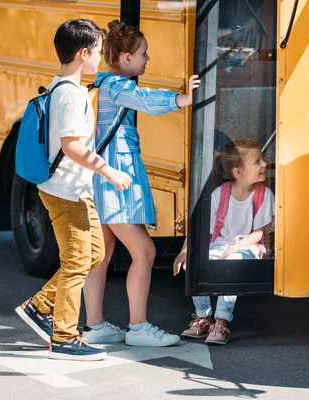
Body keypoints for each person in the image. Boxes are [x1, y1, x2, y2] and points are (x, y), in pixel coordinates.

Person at [14, 19, 133, 361]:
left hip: (73, 189)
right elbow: (71, 146)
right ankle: (64, 337)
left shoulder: (67, 88)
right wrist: (108, 170)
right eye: (97, 51)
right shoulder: (69, 94)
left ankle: (40, 306)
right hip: (66, 191)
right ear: (84, 54)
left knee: (94, 254)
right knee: (78, 261)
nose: (100, 56)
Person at [80, 20, 200, 347]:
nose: (148, 59)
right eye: (143, 53)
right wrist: (182, 100)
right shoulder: (118, 87)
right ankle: (138, 327)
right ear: (126, 58)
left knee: (102, 255)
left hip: (101, 180)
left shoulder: (103, 85)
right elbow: (145, 98)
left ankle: (94, 325)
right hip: (114, 184)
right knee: (144, 251)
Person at [173, 138, 275, 345]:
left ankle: (222, 320)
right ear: (239, 172)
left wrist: (233, 249)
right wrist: (185, 252)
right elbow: (199, 229)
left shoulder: (264, 195)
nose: (264, 164)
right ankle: (204, 316)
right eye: (257, 161)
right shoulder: (221, 193)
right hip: (221, 244)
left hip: (249, 246)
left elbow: (258, 234)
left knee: (232, 263)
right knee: (198, 261)